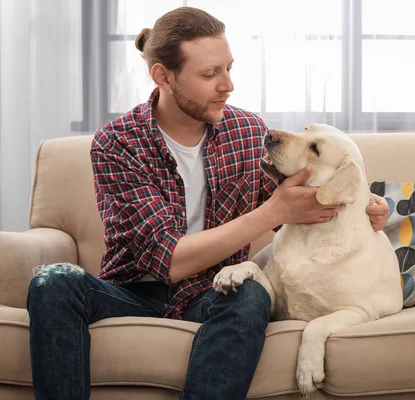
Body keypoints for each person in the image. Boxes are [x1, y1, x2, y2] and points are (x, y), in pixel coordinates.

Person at [26, 6, 390, 400]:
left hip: (214, 292)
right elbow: (169, 261)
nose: (227, 85)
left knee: (251, 294)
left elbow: (302, 199)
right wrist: (273, 212)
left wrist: (364, 206)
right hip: (132, 292)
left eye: (229, 68)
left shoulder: (247, 131)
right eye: (209, 74)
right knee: (52, 282)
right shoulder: (117, 143)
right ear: (163, 77)